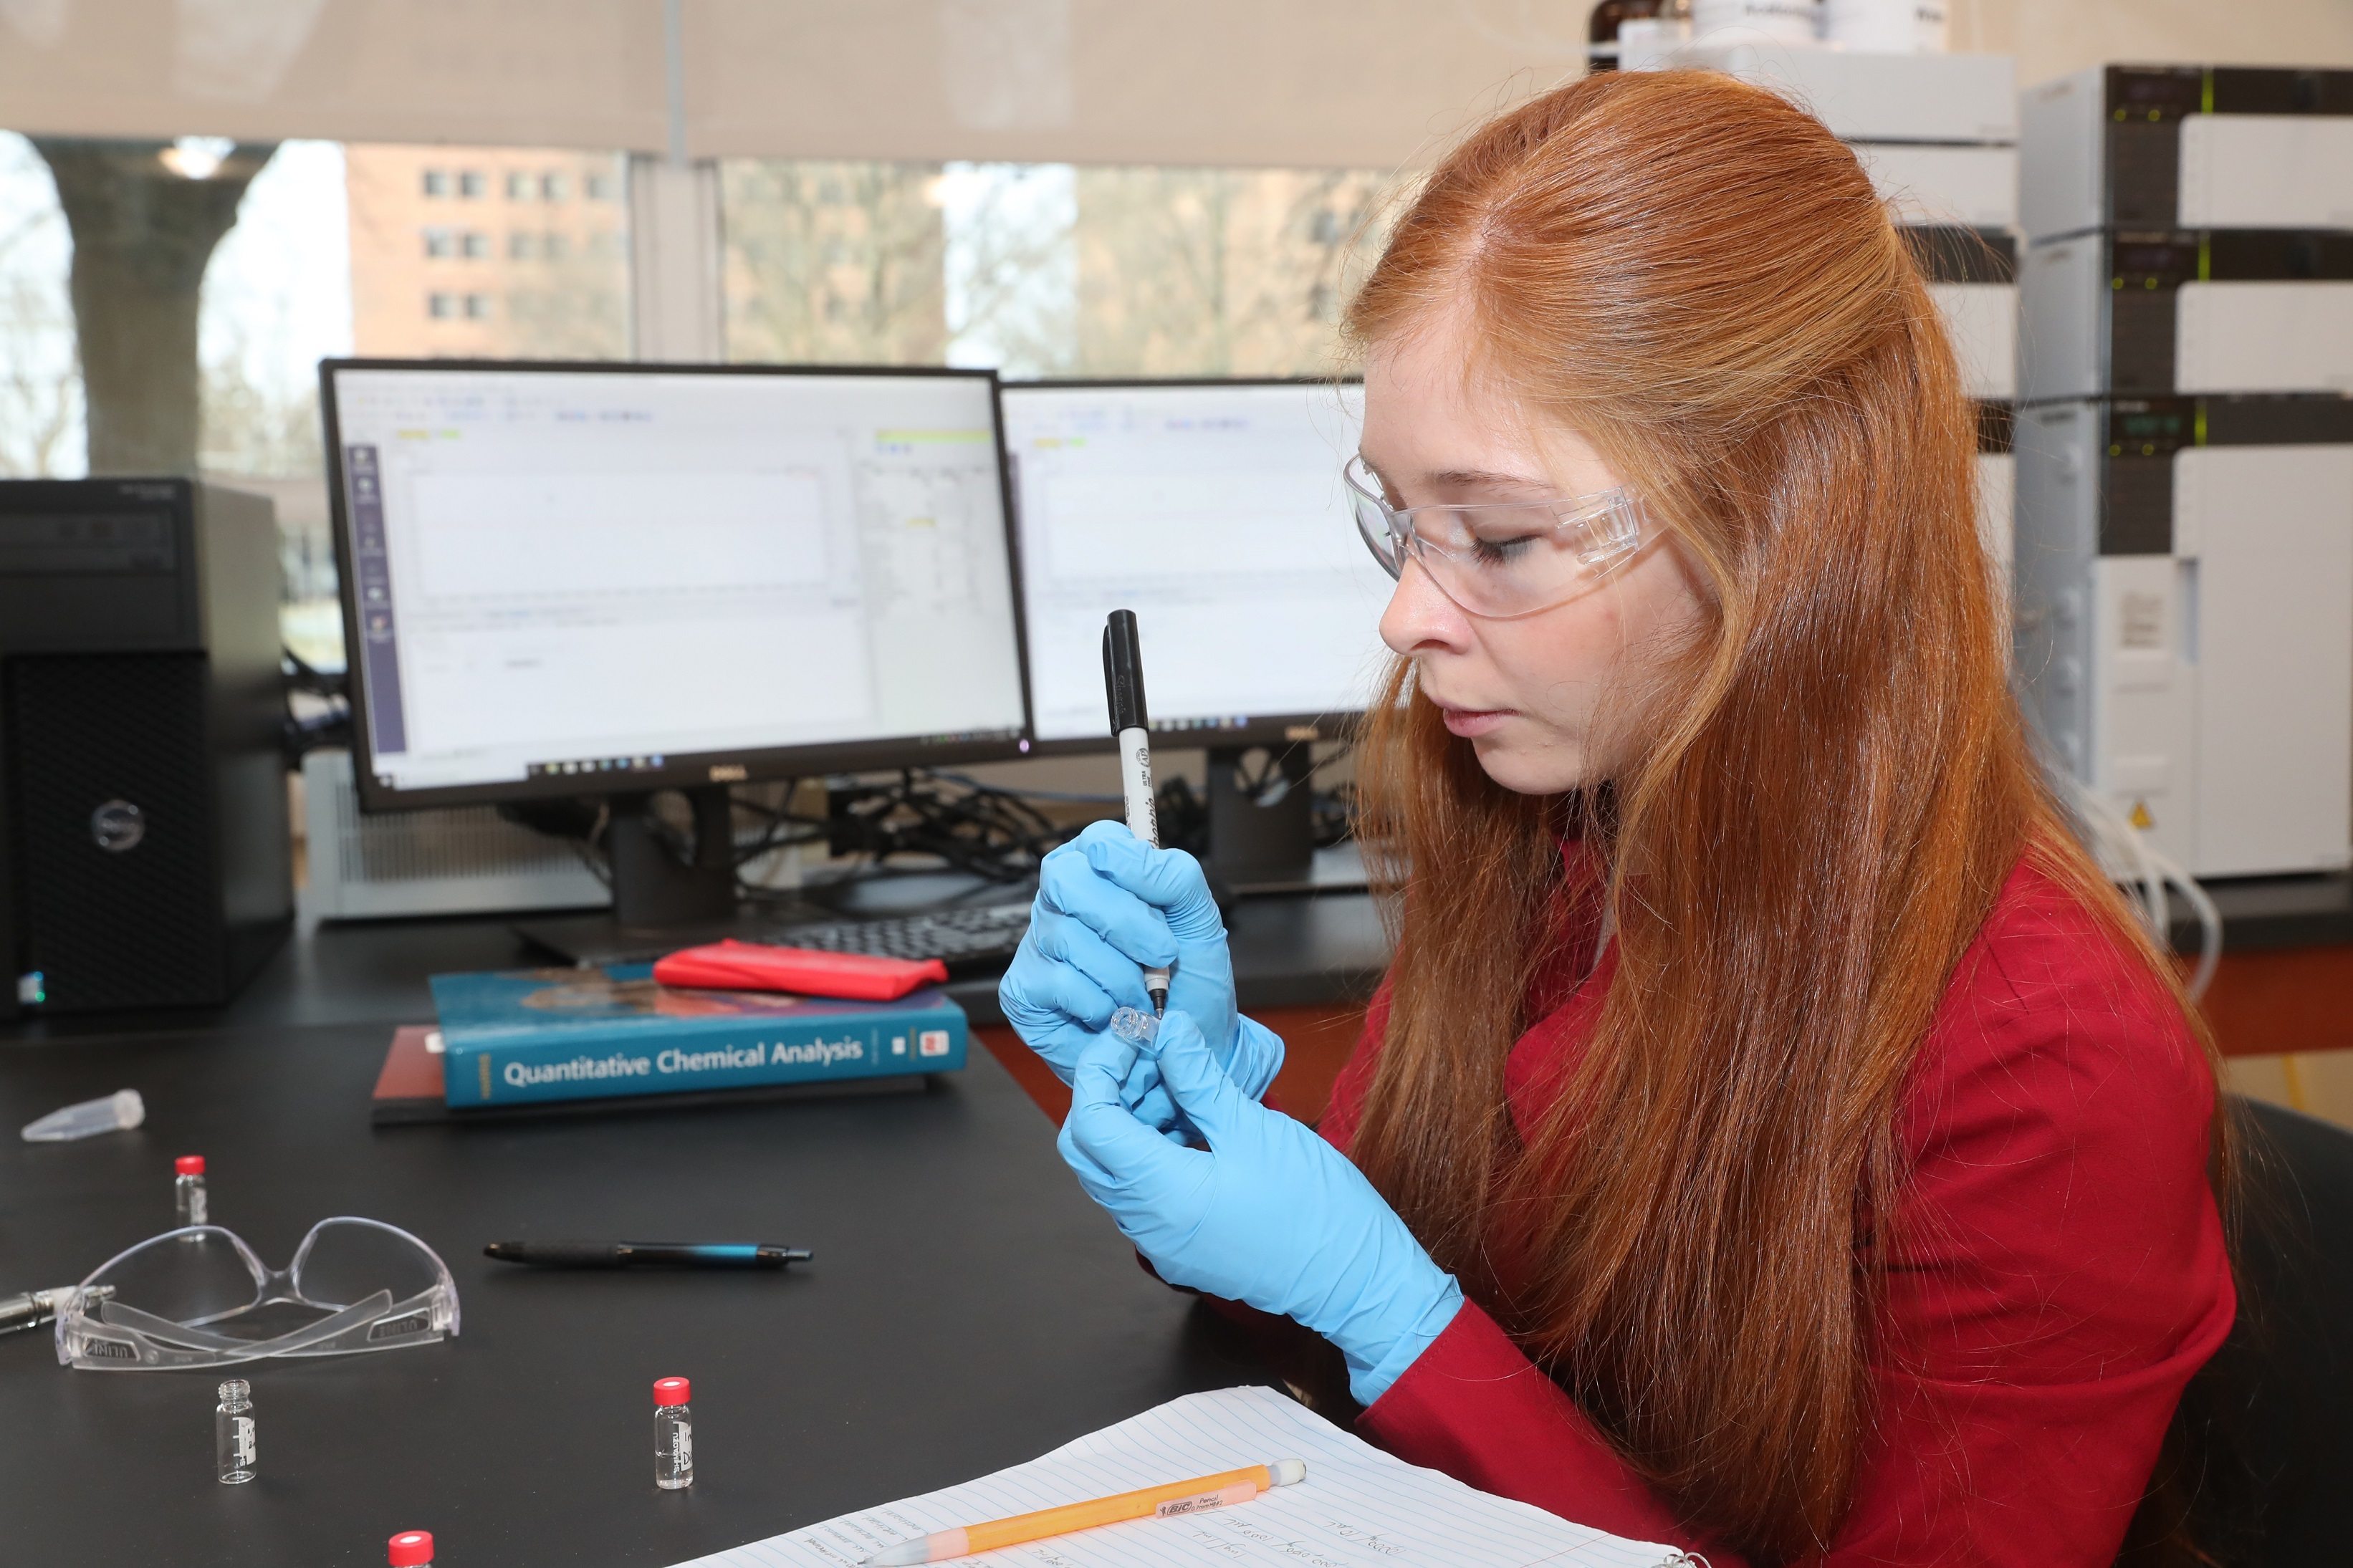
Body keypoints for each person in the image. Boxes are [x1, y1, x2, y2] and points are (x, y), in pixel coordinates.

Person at [999, 69, 2233, 1567]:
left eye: (1501, 537)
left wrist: (1386, 1302)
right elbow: (1359, 1312)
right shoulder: (1556, 833)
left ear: (1781, 527)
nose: (1403, 615)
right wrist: (1200, 1134)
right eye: (1398, 518)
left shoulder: (2042, 1060)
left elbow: (1400, 1321)